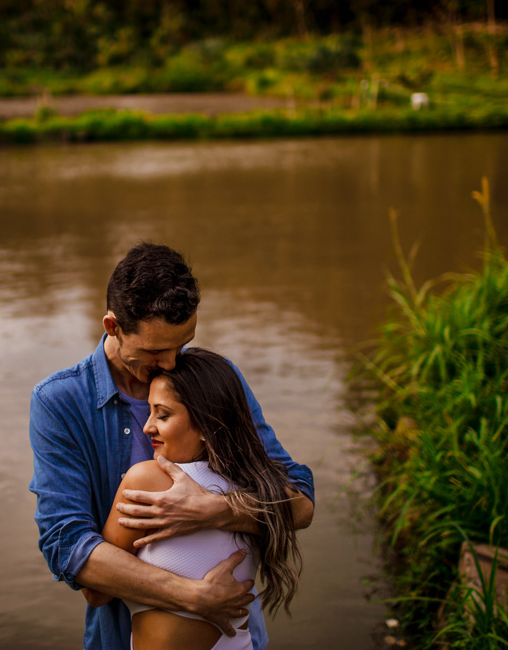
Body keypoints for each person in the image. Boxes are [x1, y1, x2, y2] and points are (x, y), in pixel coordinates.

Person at [29, 243, 314, 650]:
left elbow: (301, 502)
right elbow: (68, 545)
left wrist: (214, 509)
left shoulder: (210, 379)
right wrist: (192, 596)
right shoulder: (60, 401)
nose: (171, 362)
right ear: (113, 327)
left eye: (182, 344)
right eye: (154, 351)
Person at [81, 348, 303, 650]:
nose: (147, 426)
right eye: (150, 412)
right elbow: (301, 506)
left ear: (204, 424)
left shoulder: (148, 480)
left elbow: (96, 592)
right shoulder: (257, 483)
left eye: (163, 414)